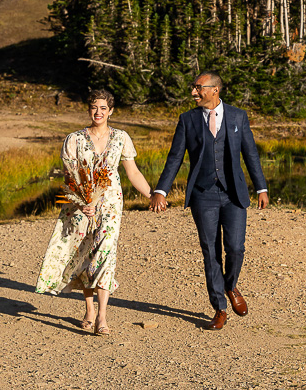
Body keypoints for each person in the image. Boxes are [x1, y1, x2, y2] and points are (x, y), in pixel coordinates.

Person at [149, 72, 269, 330]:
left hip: (234, 193)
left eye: (198, 88)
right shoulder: (187, 120)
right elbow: (175, 158)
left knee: (236, 248)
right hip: (203, 195)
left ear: (214, 90)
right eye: (193, 87)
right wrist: (161, 190)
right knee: (210, 251)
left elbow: (250, 154)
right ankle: (220, 308)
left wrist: (261, 187)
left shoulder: (238, 116)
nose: (193, 92)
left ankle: (230, 285)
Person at [35, 89, 152, 336]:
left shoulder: (121, 138)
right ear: (89, 110)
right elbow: (69, 178)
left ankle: (102, 317)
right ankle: (88, 310)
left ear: (111, 111)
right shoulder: (74, 139)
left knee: (105, 254)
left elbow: (133, 173)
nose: (98, 112)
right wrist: (80, 202)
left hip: (110, 205)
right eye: (93, 107)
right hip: (80, 208)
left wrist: (153, 196)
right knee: (86, 256)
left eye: (103, 108)